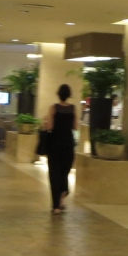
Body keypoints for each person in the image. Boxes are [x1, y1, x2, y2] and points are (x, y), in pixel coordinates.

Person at [43, 83, 78, 214]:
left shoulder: (53, 108)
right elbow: (75, 127)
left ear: (58, 94)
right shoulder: (73, 109)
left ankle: (56, 206)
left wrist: (46, 122)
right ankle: (62, 196)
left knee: (54, 174)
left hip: (54, 144)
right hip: (68, 144)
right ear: (69, 95)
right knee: (64, 173)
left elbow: (50, 127)